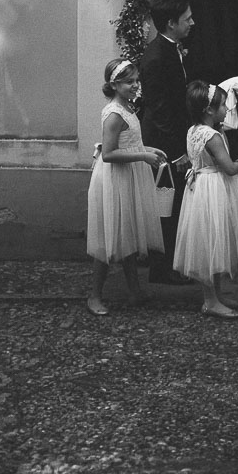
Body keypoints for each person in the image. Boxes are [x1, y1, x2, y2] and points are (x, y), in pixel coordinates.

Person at [87, 59, 168, 316]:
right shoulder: (113, 114)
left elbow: (129, 143)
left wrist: (147, 149)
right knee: (109, 237)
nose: (135, 86)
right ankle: (95, 296)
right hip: (114, 179)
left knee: (128, 233)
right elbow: (109, 154)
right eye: (129, 82)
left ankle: (135, 291)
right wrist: (142, 157)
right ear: (114, 85)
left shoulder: (128, 109)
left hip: (128, 176)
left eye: (136, 81)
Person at [175, 81, 238, 319]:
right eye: (222, 105)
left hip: (200, 189)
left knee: (212, 240)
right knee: (212, 241)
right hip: (213, 189)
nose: (227, 109)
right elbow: (228, 168)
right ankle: (210, 300)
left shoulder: (193, 130)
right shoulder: (213, 136)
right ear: (209, 109)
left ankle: (216, 294)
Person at [139, 0, 194, 284]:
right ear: (171, 23)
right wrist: (176, 152)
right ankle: (163, 268)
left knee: (173, 204)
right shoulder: (157, 57)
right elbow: (161, 111)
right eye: (187, 19)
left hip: (171, 137)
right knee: (166, 203)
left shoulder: (170, 50)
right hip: (162, 143)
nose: (192, 23)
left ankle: (172, 263)